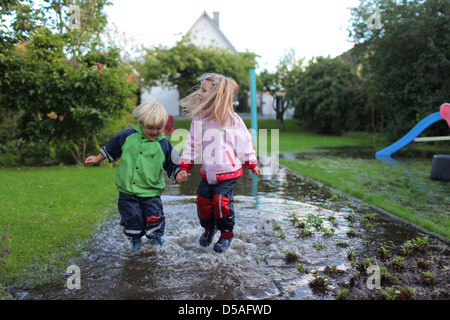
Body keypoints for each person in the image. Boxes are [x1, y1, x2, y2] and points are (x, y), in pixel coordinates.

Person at [85, 99, 189, 252]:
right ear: (140, 123)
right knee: (132, 217)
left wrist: (179, 173)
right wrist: (97, 158)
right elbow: (111, 148)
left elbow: (173, 162)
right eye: (150, 128)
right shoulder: (127, 137)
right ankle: (135, 240)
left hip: (151, 190)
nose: (154, 132)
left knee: (154, 217)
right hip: (128, 190)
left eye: (159, 128)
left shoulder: (163, 144)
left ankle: (155, 238)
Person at [178, 73, 261, 253]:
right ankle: (209, 229)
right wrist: (185, 166)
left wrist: (251, 163)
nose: (200, 93)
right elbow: (192, 143)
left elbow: (244, 142)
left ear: (217, 95)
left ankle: (226, 233)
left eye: (204, 90)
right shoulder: (199, 119)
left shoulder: (232, 120)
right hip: (208, 173)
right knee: (203, 203)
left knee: (221, 202)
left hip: (228, 171)